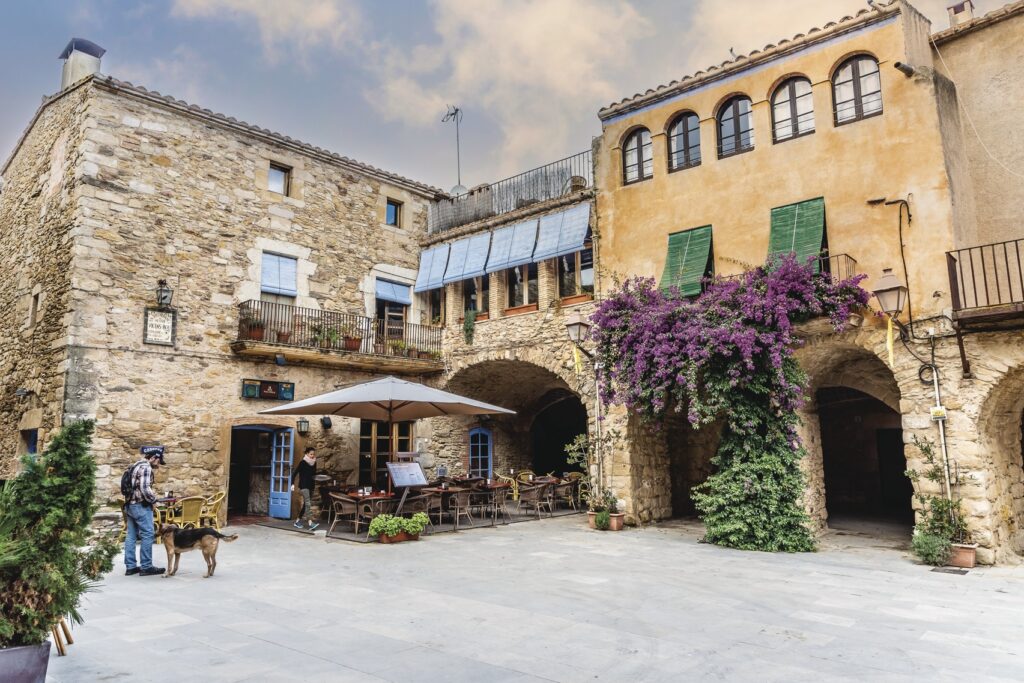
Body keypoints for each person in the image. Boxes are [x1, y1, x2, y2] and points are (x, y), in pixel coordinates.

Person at [124, 447, 166, 576]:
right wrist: (154, 502)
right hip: (140, 506)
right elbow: (144, 488)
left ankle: (130, 566)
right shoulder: (146, 467)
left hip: (130, 504)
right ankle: (146, 566)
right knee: (148, 533)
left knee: (131, 535)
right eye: (158, 461)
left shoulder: (135, 465)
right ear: (153, 458)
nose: (158, 465)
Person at [291, 446, 319, 530]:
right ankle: (310, 523)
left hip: (311, 485)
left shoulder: (314, 463)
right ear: (307, 454)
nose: (312, 456)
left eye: (313, 454)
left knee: (305, 505)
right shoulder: (302, 462)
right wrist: (292, 484)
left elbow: (313, 475)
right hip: (304, 486)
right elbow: (294, 473)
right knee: (308, 503)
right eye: (311, 454)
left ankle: (297, 521)